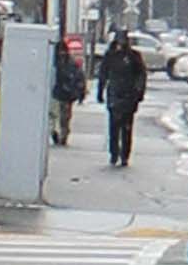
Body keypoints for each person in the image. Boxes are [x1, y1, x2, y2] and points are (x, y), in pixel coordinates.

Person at [97, 30, 148, 168]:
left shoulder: (133, 56)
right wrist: (100, 92)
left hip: (129, 95)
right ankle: (114, 153)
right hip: (114, 94)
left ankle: (125, 155)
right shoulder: (110, 56)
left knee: (126, 127)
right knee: (114, 126)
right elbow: (103, 74)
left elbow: (141, 75)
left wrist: (139, 92)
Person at [49, 38, 85, 146]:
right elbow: (79, 78)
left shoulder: (53, 62)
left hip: (60, 94)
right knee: (62, 117)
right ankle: (61, 134)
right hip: (64, 95)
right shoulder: (70, 63)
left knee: (56, 116)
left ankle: (59, 134)